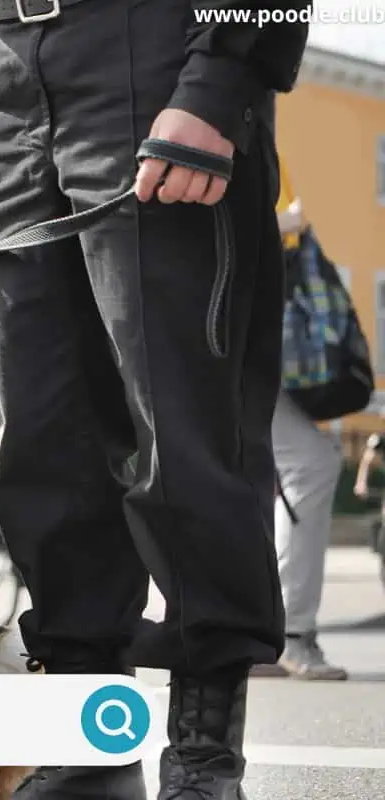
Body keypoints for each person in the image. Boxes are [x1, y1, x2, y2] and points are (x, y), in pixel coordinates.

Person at [0, 3, 309, 799]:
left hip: (154, 58)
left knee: (182, 439)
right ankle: (89, 738)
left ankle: (203, 753)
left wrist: (220, 80)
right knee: (46, 447)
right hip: (5, 85)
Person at [263, 167, 348, 681]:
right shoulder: (220, 104)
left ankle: (261, 635)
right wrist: (282, 224)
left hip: (240, 332)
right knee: (312, 463)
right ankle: (287, 633)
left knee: (254, 478)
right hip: (222, 333)